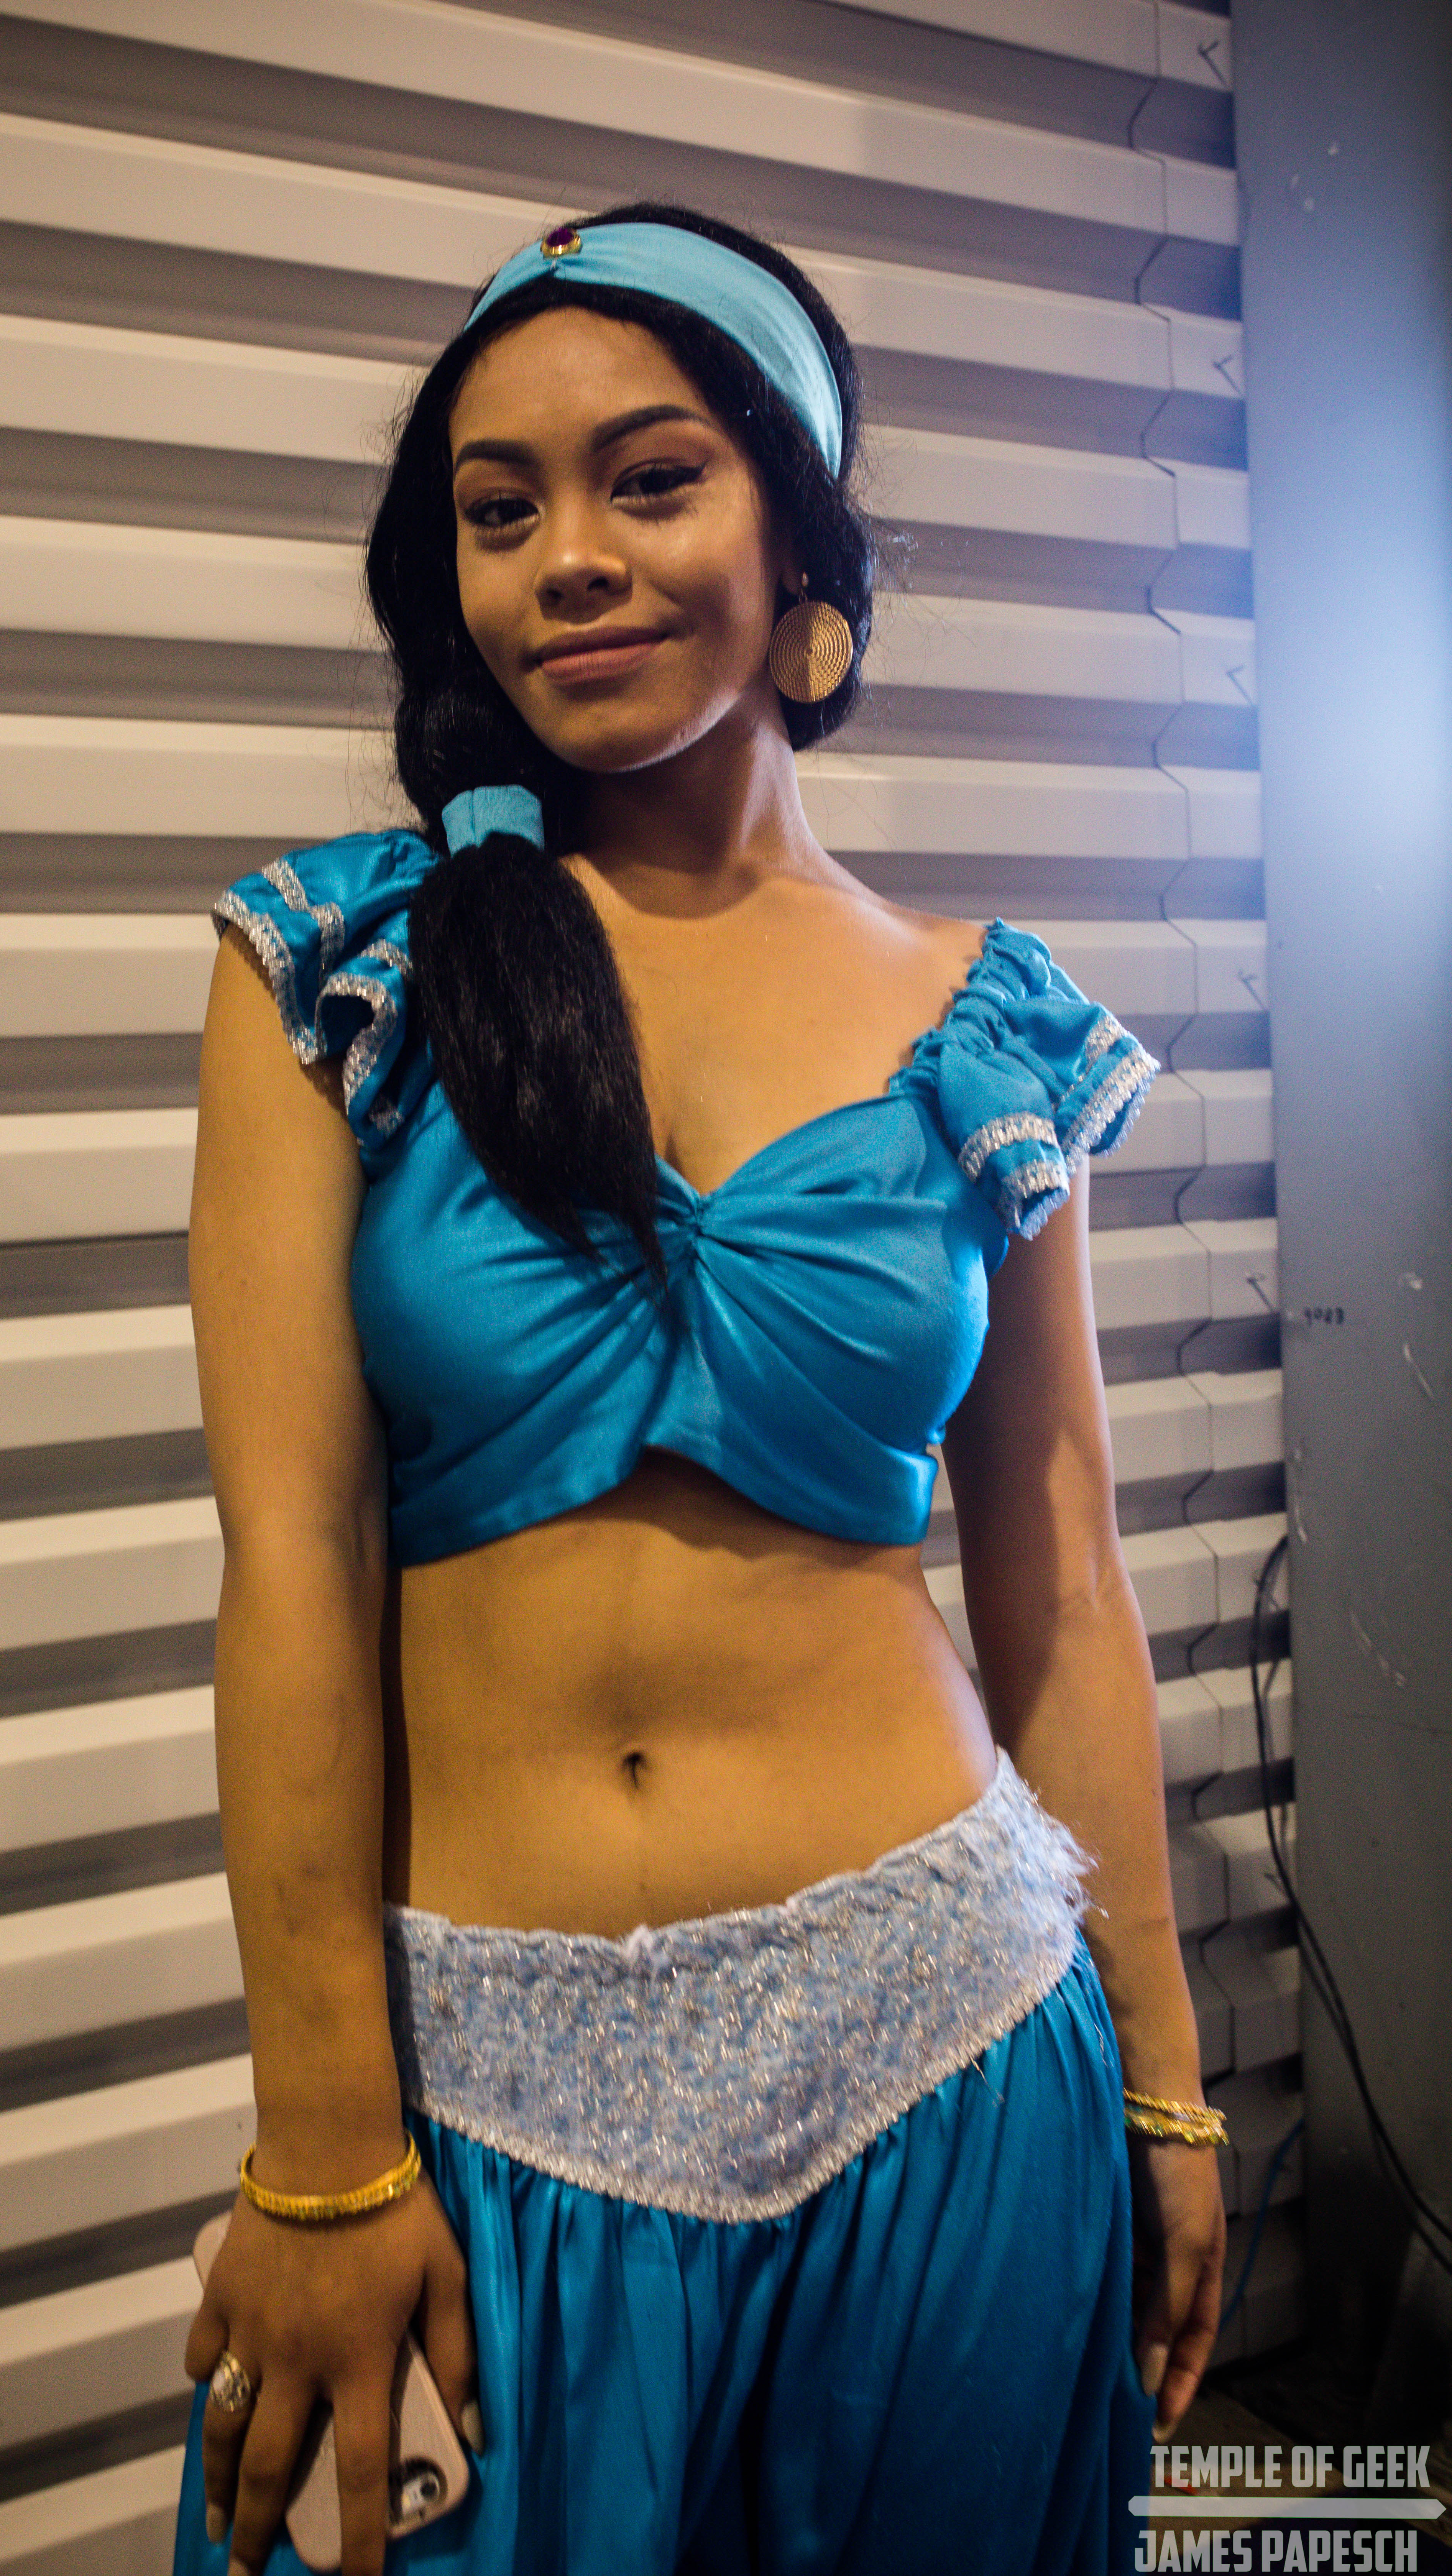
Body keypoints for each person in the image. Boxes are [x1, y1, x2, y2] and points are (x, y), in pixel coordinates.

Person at [173, 204, 1226, 2576]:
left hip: (957, 2056)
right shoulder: (339, 967)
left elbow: (1063, 1577)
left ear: (805, 542)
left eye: (650, 479)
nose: (568, 556)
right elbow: (292, 1558)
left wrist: (1166, 2085)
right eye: (500, 508)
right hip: (488, 2104)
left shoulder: (991, 1020)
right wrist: (325, 2145)